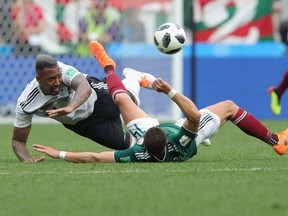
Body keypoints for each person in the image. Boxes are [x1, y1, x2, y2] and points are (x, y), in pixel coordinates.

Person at [33, 41, 288, 163]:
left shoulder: (138, 150)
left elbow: (96, 157)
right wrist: (170, 91)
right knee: (230, 107)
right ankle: (275, 142)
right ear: (167, 135)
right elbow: (193, 116)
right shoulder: (180, 139)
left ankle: (111, 68)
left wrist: (59, 153)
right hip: (191, 134)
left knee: (121, 99)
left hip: (156, 137)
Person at [12, 50, 153, 163]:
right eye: (51, 79)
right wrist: (27, 159)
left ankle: (132, 77)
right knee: (127, 146)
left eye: (58, 77)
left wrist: (70, 107)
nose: (57, 82)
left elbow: (84, 86)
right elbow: (18, 141)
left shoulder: (63, 69)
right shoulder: (26, 103)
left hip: (97, 98)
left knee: (127, 99)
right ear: (38, 79)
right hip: (82, 124)